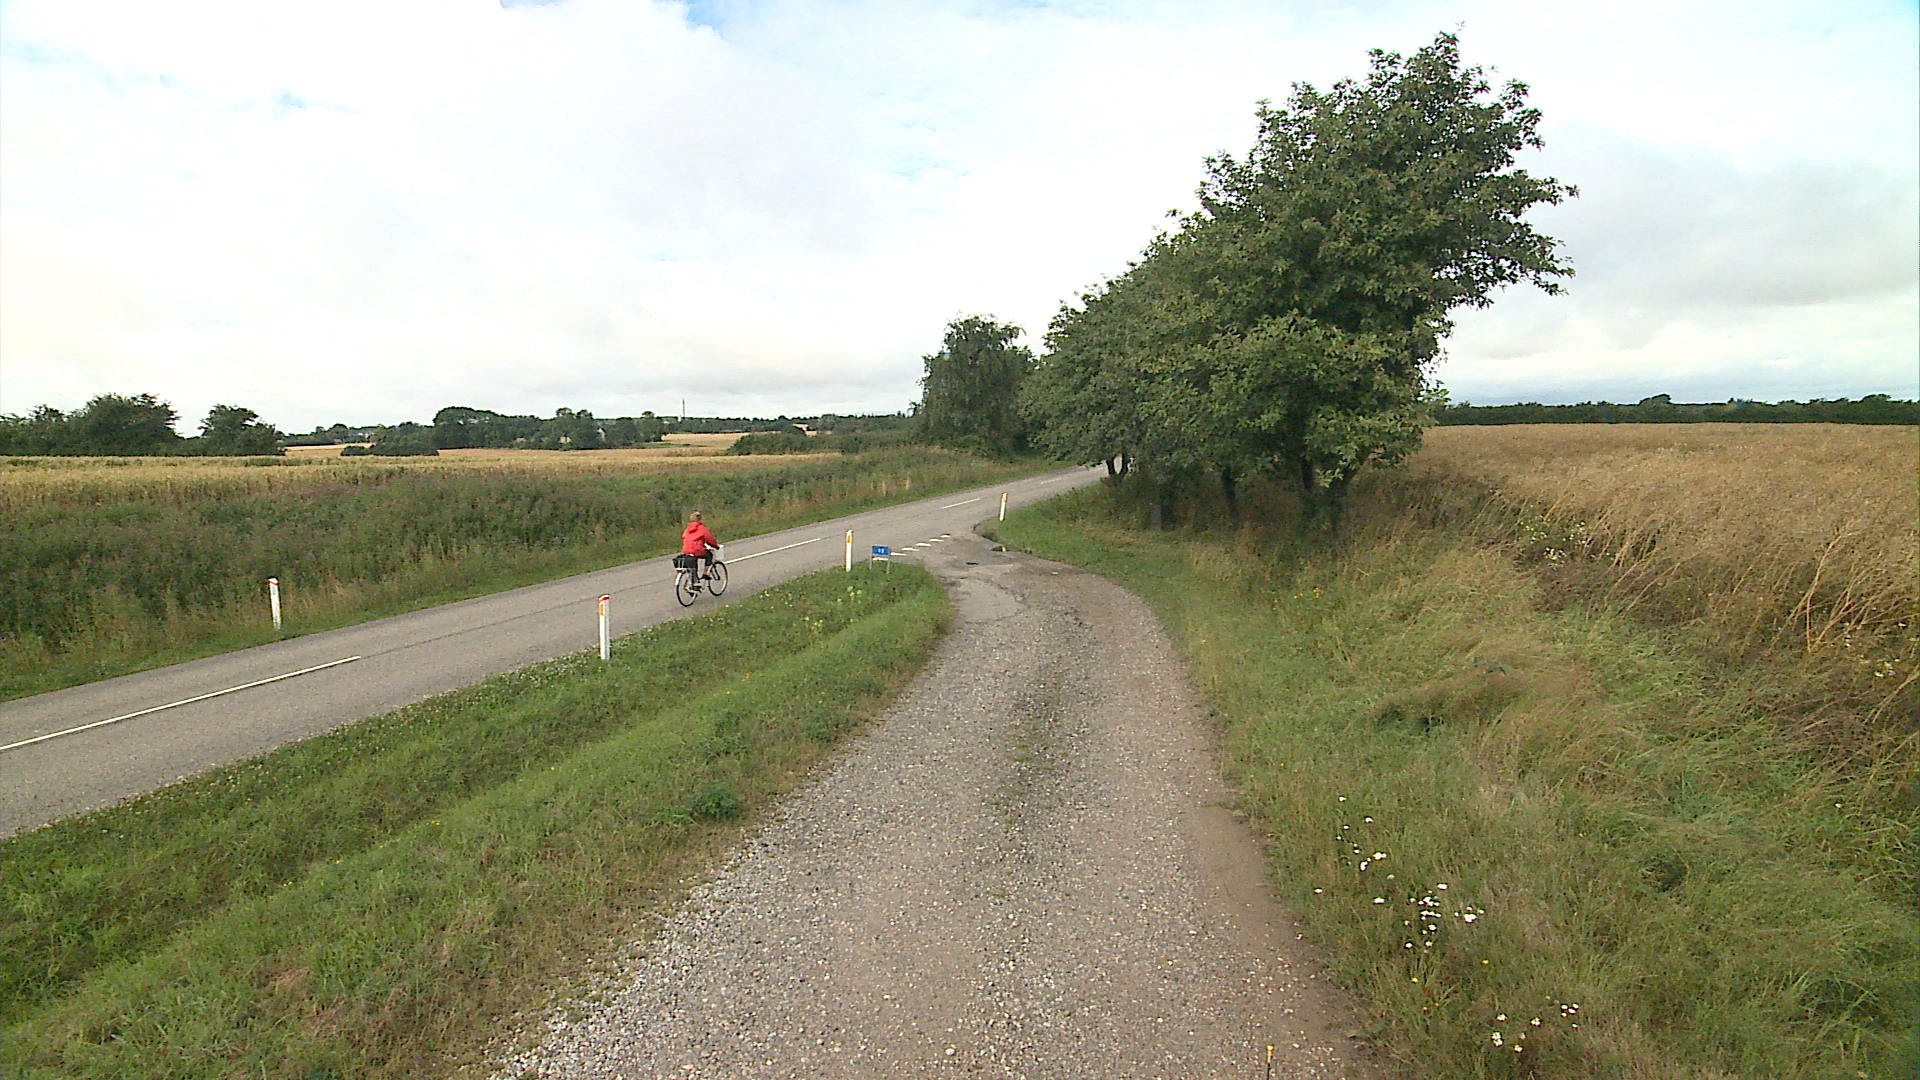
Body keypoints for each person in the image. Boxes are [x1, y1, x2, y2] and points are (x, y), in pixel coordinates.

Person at [681, 511, 719, 580]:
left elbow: (684, 537)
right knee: (709, 555)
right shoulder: (701, 528)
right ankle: (705, 573)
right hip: (697, 550)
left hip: (686, 550)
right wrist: (716, 546)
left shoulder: (687, 529)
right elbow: (710, 539)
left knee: (693, 559)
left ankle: (694, 579)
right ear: (700, 519)